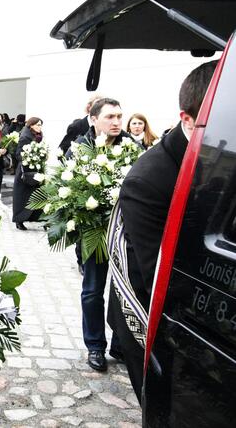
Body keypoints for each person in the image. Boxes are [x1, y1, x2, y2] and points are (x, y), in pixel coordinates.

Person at [110, 60, 218, 399]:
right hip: (148, 318)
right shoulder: (149, 179)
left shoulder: (213, 150)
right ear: (186, 118)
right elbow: (157, 276)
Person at [70, 97, 135, 372]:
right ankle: (95, 346)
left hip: (124, 234)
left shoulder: (131, 147)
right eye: (110, 117)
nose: (117, 122)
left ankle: (120, 343)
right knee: (93, 292)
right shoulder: (80, 149)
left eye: (120, 116)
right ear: (94, 119)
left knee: (124, 291)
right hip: (93, 233)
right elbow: (69, 190)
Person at [12, 117, 44, 230]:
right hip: (25, 171)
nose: (40, 127)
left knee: (38, 194)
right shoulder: (25, 137)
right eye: (38, 125)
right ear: (31, 125)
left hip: (36, 169)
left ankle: (40, 218)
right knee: (22, 197)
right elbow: (18, 154)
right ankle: (19, 220)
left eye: (41, 125)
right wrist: (30, 156)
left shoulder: (39, 136)